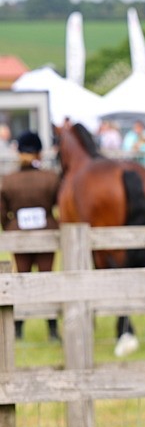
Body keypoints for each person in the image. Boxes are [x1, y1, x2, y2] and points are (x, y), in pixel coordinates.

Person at [0, 132, 60, 341]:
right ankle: (52, 329)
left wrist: (10, 226)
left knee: (22, 279)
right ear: (38, 152)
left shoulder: (8, 181)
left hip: (19, 235)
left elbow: (2, 211)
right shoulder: (51, 178)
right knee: (47, 279)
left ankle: (17, 329)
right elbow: (58, 204)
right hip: (47, 234)